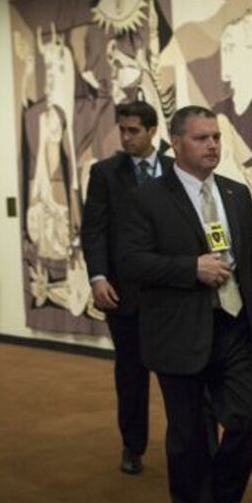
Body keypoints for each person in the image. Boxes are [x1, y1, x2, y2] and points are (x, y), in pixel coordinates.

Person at [119, 105, 252, 503]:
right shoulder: (147, 198)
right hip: (179, 334)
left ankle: (223, 497)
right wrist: (189, 268)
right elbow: (131, 262)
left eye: (216, 137)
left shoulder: (235, 193)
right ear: (176, 143)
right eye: (201, 138)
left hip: (233, 326)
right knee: (190, 437)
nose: (212, 145)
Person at [82, 100, 174, 475]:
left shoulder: (175, 168)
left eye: (133, 130)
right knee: (131, 375)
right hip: (123, 292)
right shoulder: (105, 173)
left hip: (172, 292)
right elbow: (94, 229)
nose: (125, 137)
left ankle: (186, 446)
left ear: (152, 131)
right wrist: (98, 277)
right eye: (122, 130)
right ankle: (132, 446)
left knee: (179, 375)